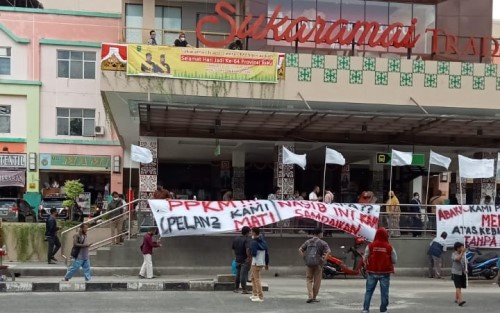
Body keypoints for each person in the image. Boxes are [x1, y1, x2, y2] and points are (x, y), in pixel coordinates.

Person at [362, 227, 397, 313]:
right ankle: (383, 310)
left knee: (369, 292)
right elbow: (394, 260)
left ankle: (365, 309)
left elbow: (365, 258)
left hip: (372, 272)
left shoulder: (370, 246)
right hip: (385, 273)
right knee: (384, 293)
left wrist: (367, 264)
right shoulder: (389, 247)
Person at [298, 228, 331, 303]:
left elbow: (300, 249)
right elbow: (329, 251)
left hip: (309, 263)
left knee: (309, 280)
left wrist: (305, 258)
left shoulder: (308, 241)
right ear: (320, 234)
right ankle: (314, 297)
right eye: (322, 233)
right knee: (317, 281)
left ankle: (310, 296)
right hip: (318, 264)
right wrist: (324, 260)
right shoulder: (323, 243)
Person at [249, 227, 269, 302]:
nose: (251, 233)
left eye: (251, 232)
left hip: (255, 262)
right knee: (253, 278)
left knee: (256, 279)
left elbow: (253, 253)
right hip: (261, 262)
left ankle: (260, 296)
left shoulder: (254, 242)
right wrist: (267, 263)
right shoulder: (263, 241)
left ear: (254, 233)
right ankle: (255, 294)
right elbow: (267, 254)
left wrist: (250, 250)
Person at [232, 226, 251, 294]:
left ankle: (236, 288)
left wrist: (236, 256)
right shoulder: (247, 239)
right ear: (247, 232)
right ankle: (244, 290)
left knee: (238, 274)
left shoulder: (236, 239)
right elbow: (247, 249)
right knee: (243, 275)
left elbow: (233, 249)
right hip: (244, 260)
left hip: (237, 259)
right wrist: (248, 257)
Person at [451, 242, 467, 306]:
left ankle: (456, 299)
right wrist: (462, 252)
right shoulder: (453, 254)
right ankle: (460, 301)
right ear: (458, 248)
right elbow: (457, 259)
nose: (463, 248)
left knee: (459, 286)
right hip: (456, 272)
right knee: (458, 286)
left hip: (461, 272)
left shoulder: (464, 255)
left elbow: (465, 263)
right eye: (461, 247)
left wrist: (466, 270)